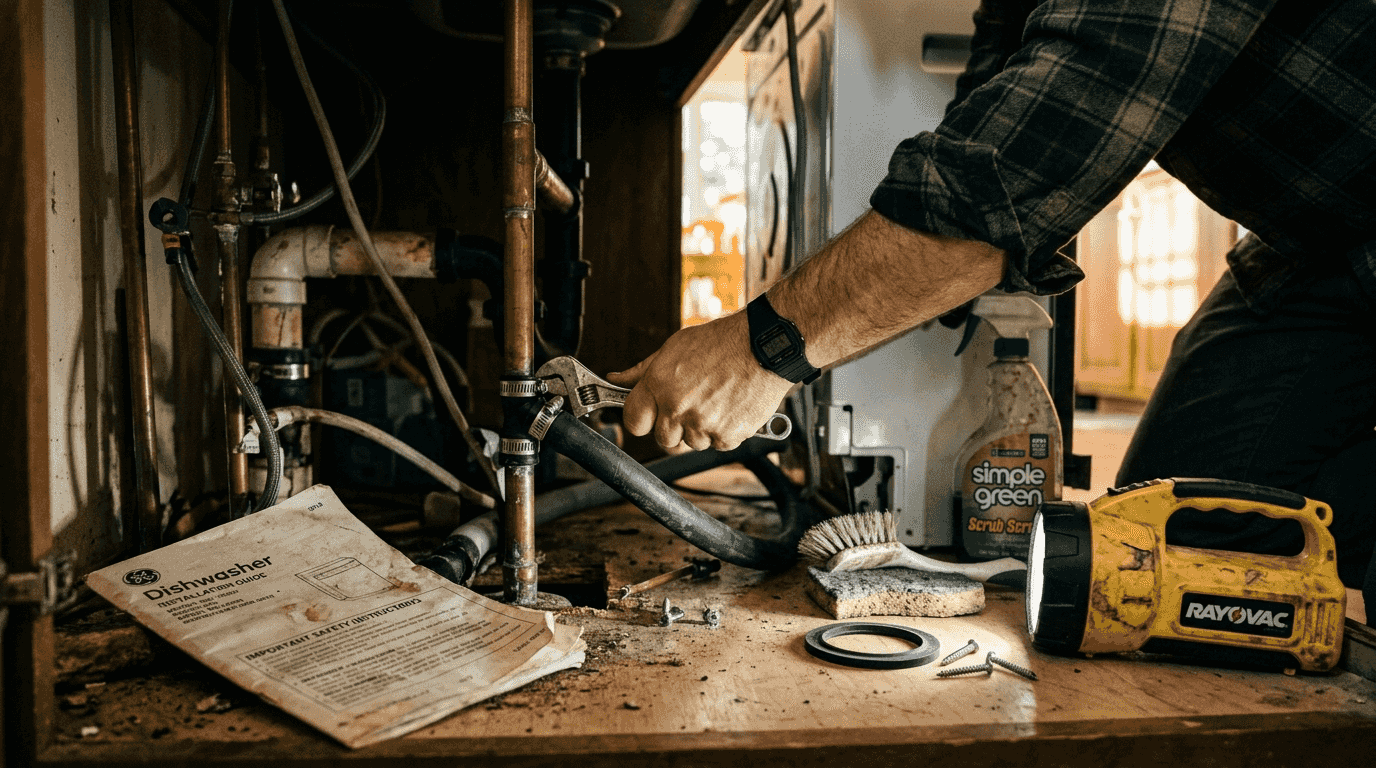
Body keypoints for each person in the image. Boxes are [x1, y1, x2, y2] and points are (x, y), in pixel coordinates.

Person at [606, 0, 1376, 614]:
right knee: (1152, 557)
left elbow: (1015, 171)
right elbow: (985, 123)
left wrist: (760, 350)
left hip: (1345, 231)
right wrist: (889, 302)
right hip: (1314, 246)